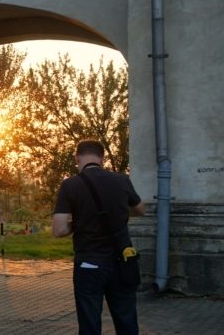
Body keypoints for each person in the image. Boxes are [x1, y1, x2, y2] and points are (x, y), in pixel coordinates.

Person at [52, 140, 146, 335]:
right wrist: (119, 213)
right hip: (122, 263)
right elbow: (140, 209)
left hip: (89, 265)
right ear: (102, 159)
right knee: (127, 321)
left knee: (89, 324)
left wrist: (77, 223)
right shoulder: (122, 180)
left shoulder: (70, 185)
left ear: (77, 158)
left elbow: (59, 230)